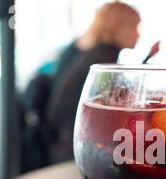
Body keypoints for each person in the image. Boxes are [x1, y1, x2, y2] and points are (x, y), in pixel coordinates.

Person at [46, 2, 142, 164]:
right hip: (74, 148)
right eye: (135, 27)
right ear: (120, 27)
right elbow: (109, 100)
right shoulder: (103, 60)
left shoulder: (87, 51)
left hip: (60, 140)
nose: (138, 35)